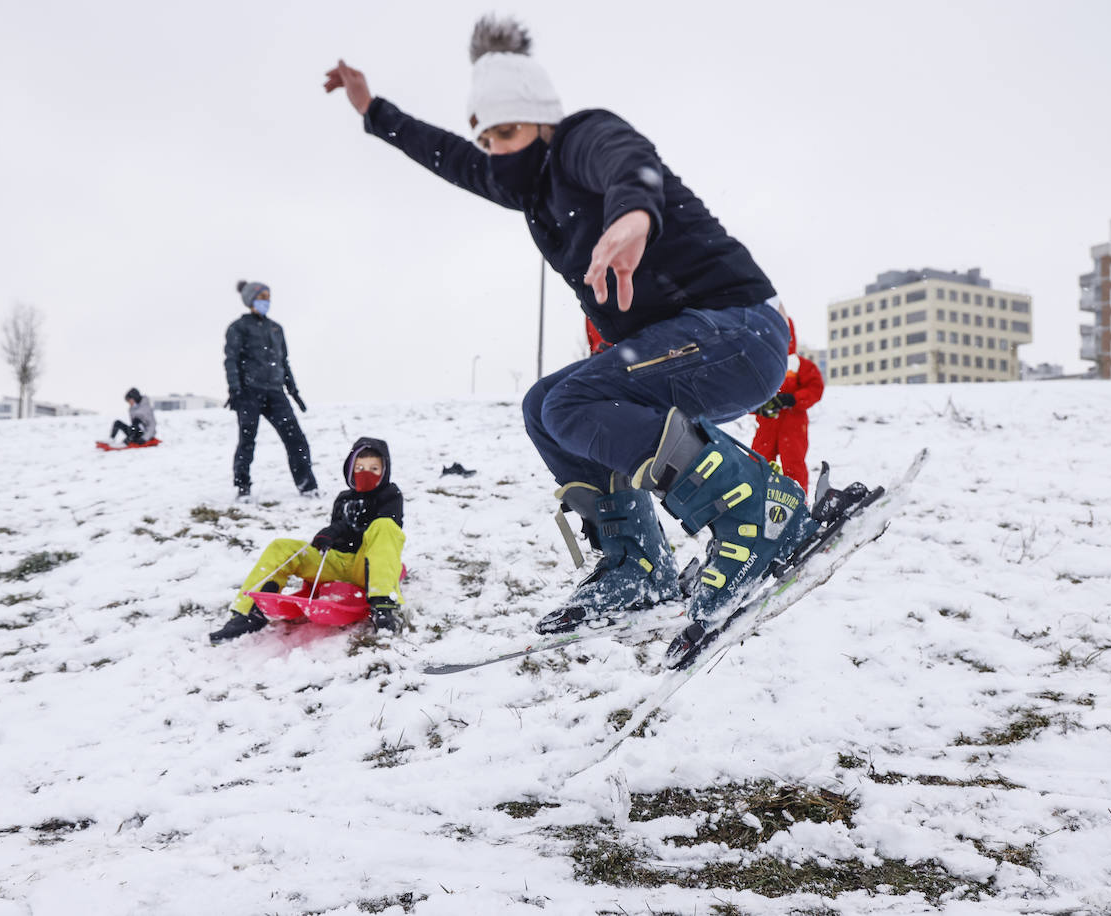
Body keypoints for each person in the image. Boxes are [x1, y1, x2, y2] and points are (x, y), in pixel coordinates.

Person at [324, 17, 865, 665]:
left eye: (509, 133)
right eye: (489, 136)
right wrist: (373, 110)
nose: (497, 149)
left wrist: (634, 213)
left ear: (542, 123)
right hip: (694, 346)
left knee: (570, 404)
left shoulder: (581, 137)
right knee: (545, 408)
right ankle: (636, 564)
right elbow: (455, 160)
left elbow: (627, 162)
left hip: (740, 329)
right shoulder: (525, 186)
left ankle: (759, 518)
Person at [209, 437, 405, 643]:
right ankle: (247, 613)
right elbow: (342, 533)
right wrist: (327, 536)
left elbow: (384, 530)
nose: (366, 473)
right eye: (360, 468)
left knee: (384, 526)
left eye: (374, 469)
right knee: (281, 547)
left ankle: (383, 605)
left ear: (384, 471)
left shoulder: (390, 494)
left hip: (366, 566)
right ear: (350, 470)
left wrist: (337, 528)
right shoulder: (344, 498)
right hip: (335, 564)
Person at [224, 280, 318, 500]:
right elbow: (231, 360)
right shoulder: (238, 328)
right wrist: (235, 389)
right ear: (250, 300)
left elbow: (283, 362)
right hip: (249, 393)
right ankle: (243, 487)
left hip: (275, 393)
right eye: (262, 297)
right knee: (247, 441)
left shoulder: (276, 329)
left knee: (296, 439)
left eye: (268, 297)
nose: (267, 301)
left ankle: (307, 486)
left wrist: (293, 392)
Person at [751, 316, 825, 494]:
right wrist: (758, 407)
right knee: (757, 462)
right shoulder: (762, 366)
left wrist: (792, 399)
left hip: (793, 422)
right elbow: (749, 392)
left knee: (793, 463)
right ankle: (754, 497)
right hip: (768, 422)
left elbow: (815, 388)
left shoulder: (800, 366)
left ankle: (797, 500)